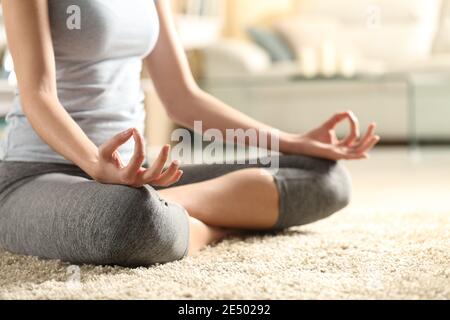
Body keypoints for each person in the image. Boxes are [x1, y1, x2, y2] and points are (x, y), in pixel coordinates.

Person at [0, 0, 380, 267]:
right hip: (37, 176)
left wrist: (294, 141)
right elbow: (39, 96)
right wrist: (96, 166)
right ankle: (216, 224)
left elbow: (183, 99)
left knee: (324, 177)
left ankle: (175, 213)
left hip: (131, 177)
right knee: (132, 221)